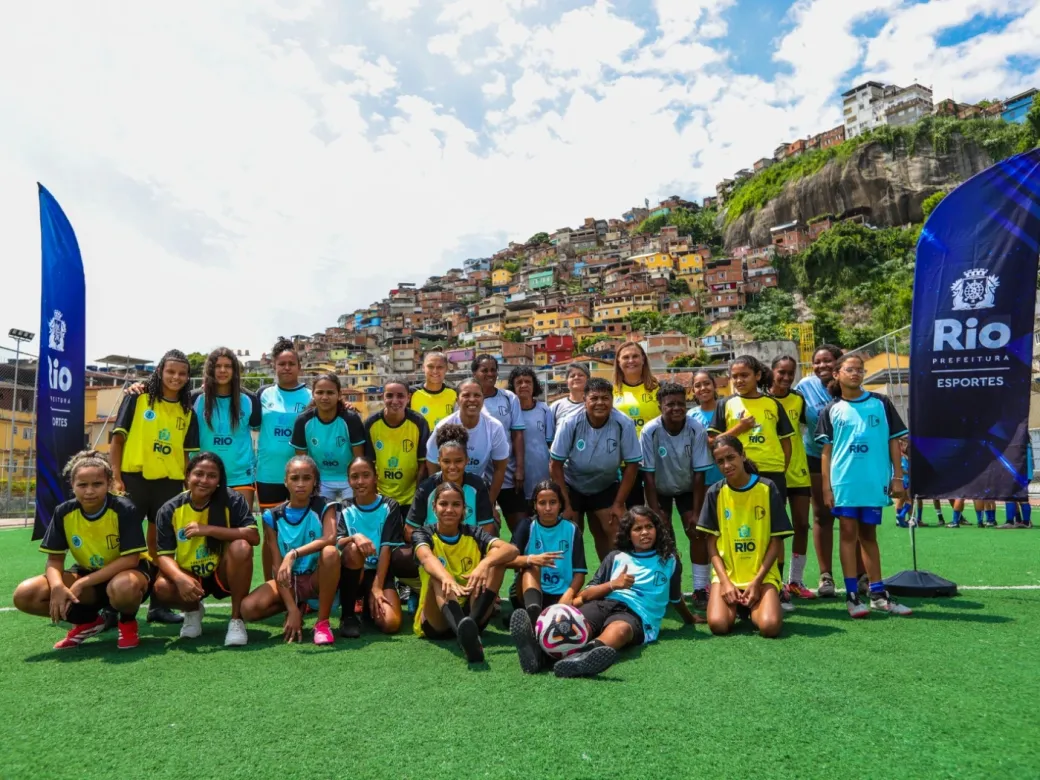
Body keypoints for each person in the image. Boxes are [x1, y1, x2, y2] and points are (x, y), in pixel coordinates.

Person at [518, 507, 695, 678]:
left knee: (620, 630)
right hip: (604, 603)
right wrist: (613, 585)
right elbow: (587, 594)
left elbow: (675, 596)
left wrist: (690, 619)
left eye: (649, 527)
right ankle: (538, 654)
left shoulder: (669, 560)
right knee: (570, 624)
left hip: (637, 615)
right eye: (638, 528)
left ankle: (582, 657)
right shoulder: (616, 557)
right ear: (628, 534)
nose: (644, 532)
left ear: (657, 529)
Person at [13, 451, 150, 650]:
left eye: (97, 484)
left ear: (109, 483)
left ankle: (127, 622)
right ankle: (88, 622)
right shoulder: (64, 512)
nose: (89, 491)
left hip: (128, 573)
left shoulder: (123, 508)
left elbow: (130, 559)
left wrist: (83, 582)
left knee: (123, 586)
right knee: (25, 594)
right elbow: (54, 560)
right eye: (82, 485)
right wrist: (58, 585)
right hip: (88, 574)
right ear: (73, 485)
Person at [816, 353, 912, 618]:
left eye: (860, 369)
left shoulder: (881, 403)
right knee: (847, 533)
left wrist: (897, 475)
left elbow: (894, 441)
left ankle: (878, 594)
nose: (856, 373)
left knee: (868, 535)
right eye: (850, 369)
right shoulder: (830, 409)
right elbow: (826, 452)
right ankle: (851, 596)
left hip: (874, 481)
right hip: (844, 482)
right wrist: (826, 487)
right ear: (837, 374)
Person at [110, 348, 199, 625]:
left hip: (169, 483)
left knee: (163, 545)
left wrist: (187, 484)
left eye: (182, 373)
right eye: (170, 371)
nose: (176, 377)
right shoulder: (138, 398)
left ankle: (158, 606)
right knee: (123, 543)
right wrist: (115, 476)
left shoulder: (187, 412)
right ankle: (112, 605)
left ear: (187, 378)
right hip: (133, 479)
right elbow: (118, 440)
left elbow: (187, 455)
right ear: (160, 372)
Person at [152, 453, 260, 645]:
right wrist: (180, 579)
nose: (204, 480)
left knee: (242, 547)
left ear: (219, 480)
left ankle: (236, 620)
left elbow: (253, 536)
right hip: (192, 574)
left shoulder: (232, 500)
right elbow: (163, 556)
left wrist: (207, 530)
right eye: (199, 474)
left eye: (212, 476)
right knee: (161, 587)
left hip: (223, 571)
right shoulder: (169, 509)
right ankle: (193, 612)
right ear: (187, 476)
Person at [412, 482, 519, 663]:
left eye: (456, 504)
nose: (449, 509)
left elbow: (511, 550)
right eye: (443, 504)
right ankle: (465, 634)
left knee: (496, 564)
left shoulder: (474, 533)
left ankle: (469, 631)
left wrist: (483, 565)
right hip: (437, 618)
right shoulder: (423, 534)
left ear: (463, 509)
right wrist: (446, 577)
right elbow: (427, 559)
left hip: (472, 610)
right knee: (437, 577)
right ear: (434, 507)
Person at [240, 455, 340, 645]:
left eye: (306, 478)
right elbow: (278, 568)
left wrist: (293, 554)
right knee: (248, 609)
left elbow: (330, 537)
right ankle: (297, 608)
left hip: (316, 578)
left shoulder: (324, 506)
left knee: (330, 553)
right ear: (285, 481)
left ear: (315, 481)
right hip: (288, 582)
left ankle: (322, 623)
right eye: (294, 478)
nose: (300, 484)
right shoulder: (272, 517)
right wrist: (292, 610)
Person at [697, 436, 791, 638]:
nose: (726, 465)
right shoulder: (715, 492)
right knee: (718, 625)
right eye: (720, 461)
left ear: (743, 455)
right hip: (728, 576)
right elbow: (711, 544)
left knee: (769, 627)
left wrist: (757, 582)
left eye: (731, 457)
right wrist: (725, 582)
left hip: (762, 576)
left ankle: (758, 603)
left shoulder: (767, 488)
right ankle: (741, 606)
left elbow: (776, 541)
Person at [640, 381, 712, 616]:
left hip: (688, 488)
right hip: (659, 488)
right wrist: (655, 511)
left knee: (697, 532)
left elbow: (700, 474)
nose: (677, 408)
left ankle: (701, 588)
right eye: (670, 404)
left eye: (681, 403)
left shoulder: (696, 429)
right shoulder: (649, 431)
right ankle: (670, 591)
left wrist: (698, 510)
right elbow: (648, 476)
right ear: (660, 406)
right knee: (662, 538)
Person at [550, 377, 643, 559]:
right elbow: (555, 464)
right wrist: (566, 503)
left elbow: (632, 465)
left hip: (605, 484)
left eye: (605, 398)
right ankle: (568, 583)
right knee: (571, 532)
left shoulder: (623, 423)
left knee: (614, 529)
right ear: (585, 400)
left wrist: (618, 504)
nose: (600, 403)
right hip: (572, 485)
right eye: (594, 398)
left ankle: (611, 578)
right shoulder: (569, 422)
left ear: (612, 400)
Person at [796, 344, 858, 597]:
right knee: (822, 516)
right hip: (814, 457)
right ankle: (826, 576)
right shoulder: (804, 387)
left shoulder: (852, 385)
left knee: (852, 516)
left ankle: (861, 575)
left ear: (838, 362)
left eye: (827, 361)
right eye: (817, 362)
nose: (822, 366)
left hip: (848, 461)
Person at [507, 480, 588, 672]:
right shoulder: (526, 526)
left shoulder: (572, 529)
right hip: (529, 594)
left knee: (588, 600)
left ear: (560, 504)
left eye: (553, 502)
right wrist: (532, 559)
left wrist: (567, 596)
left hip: (561, 598)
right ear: (535, 505)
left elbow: (580, 573)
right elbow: (507, 561)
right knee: (532, 565)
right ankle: (535, 624)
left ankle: (537, 650)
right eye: (542, 503)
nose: (548, 508)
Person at [256, 337, 313, 579]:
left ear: (299, 366)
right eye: (282, 364)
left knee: (304, 532)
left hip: (301, 476)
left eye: (291, 363)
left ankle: (305, 585)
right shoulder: (262, 394)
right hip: (268, 474)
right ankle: (271, 585)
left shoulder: (311, 396)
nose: (286, 368)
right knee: (271, 533)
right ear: (274, 367)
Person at [336, 457, 408, 638]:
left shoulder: (389, 506)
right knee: (352, 549)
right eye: (354, 477)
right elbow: (337, 541)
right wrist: (355, 537)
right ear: (349, 480)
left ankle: (368, 605)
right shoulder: (344, 507)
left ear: (376, 477)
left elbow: (385, 548)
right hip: (354, 573)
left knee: (391, 623)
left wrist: (377, 587)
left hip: (380, 573)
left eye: (366, 475)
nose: (360, 481)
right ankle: (348, 615)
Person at [709, 355, 793, 502]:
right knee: (743, 520)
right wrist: (740, 428)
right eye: (734, 376)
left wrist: (781, 468)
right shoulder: (725, 404)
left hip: (773, 470)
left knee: (773, 521)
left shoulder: (773, 404)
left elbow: (786, 441)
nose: (739, 380)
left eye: (744, 375)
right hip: (742, 471)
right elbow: (712, 441)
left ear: (758, 375)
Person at [770, 355, 815, 606]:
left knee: (800, 524)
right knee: (775, 529)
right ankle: (776, 584)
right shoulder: (761, 399)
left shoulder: (798, 399)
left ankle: (795, 581)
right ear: (772, 371)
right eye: (781, 372)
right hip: (772, 471)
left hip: (798, 470)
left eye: (791, 373)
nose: (786, 377)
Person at [191, 348, 262, 508]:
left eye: (228, 366)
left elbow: (258, 428)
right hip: (203, 476)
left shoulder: (249, 399)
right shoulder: (195, 398)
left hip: (240, 475)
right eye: (217, 366)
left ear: (235, 370)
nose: (222, 370)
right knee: (202, 529)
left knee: (240, 528)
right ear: (210, 369)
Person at [426, 378, 509, 505]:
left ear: (483, 399)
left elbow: (500, 469)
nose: (472, 399)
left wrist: (489, 504)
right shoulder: (443, 427)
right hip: (447, 488)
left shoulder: (495, 427)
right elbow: (432, 462)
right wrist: (441, 496)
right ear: (457, 400)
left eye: (477, 395)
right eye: (466, 395)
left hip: (476, 489)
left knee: (492, 525)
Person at [291, 373, 366, 502]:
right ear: (313, 394)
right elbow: (302, 461)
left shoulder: (351, 419)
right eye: (320, 392)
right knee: (324, 517)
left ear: (339, 395)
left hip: (349, 478)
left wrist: (355, 482)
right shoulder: (303, 421)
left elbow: (359, 459)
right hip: (321, 480)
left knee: (349, 519)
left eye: (330, 393)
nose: (324, 397)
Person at [363, 379, 429, 517]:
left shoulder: (419, 422)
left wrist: (417, 495)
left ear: (408, 397)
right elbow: (369, 464)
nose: (395, 400)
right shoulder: (371, 423)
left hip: (410, 497)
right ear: (383, 397)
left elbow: (422, 463)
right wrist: (373, 494)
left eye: (400, 396)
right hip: (381, 496)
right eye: (389, 395)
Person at [686, 369, 723, 611]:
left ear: (714, 385)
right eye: (697, 385)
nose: (703, 389)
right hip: (699, 482)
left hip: (725, 480)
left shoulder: (726, 408)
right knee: (699, 532)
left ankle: (729, 580)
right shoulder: (690, 415)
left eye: (706, 383)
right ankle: (700, 586)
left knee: (726, 532)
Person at [472, 354, 526, 514]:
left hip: (507, 473)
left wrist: (520, 469)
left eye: (493, 370)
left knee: (520, 524)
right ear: (475, 373)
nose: (490, 374)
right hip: (479, 475)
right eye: (484, 370)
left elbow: (518, 435)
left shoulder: (509, 398)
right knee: (487, 527)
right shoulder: (467, 399)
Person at [505, 366, 555, 532]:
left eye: (528, 381)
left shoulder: (544, 409)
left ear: (534, 386)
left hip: (541, 473)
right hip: (516, 476)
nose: (523, 385)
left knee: (544, 520)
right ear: (512, 387)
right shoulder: (508, 411)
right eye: (519, 382)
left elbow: (550, 444)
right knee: (522, 526)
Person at [612, 341, 660, 507]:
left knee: (659, 510)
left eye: (635, 356)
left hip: (654, 457)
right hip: (625, 461)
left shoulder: (658, 389)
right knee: (634, 510)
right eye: (625, 357)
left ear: (643, 359)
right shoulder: (612, 391)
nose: (631, 360)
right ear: (618, 362)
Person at [411, 351, 457, 431]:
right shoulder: (411, 393)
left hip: (445, 443)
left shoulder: (455, 393)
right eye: (430, 366)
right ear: (423, 367)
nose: (435, 371)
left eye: (440, 367)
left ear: (446, 368)